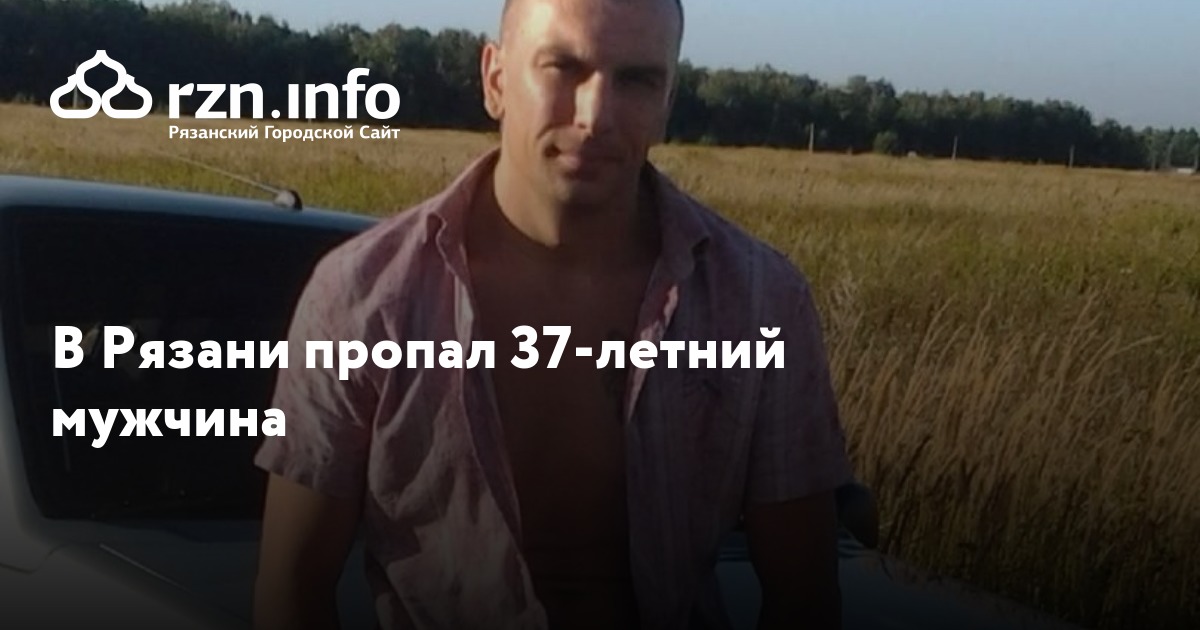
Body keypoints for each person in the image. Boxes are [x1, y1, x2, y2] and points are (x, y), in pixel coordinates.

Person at [252, 0, 856, 628]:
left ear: (668, 100)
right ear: (495, 80)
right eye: (564, 67)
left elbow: (804, 592)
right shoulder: (362, 297)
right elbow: (292, 586)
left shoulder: (759, 300)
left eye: (636, 79)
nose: (595, 116)